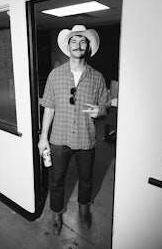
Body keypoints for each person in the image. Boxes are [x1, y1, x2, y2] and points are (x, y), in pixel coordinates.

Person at [38, 24, 109, 235]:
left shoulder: (97, 77)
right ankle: (56, 212)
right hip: (59, 138)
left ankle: (84, 208)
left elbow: (104, 104)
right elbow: (49, 107)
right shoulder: (55, 75)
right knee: (56, 179)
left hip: (86, 140)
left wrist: (101, 110)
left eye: (83, 41)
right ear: (68, 47)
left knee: (87, 178)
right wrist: (43, 138)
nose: (78, 45)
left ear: (88, 47)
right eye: (74, 41)